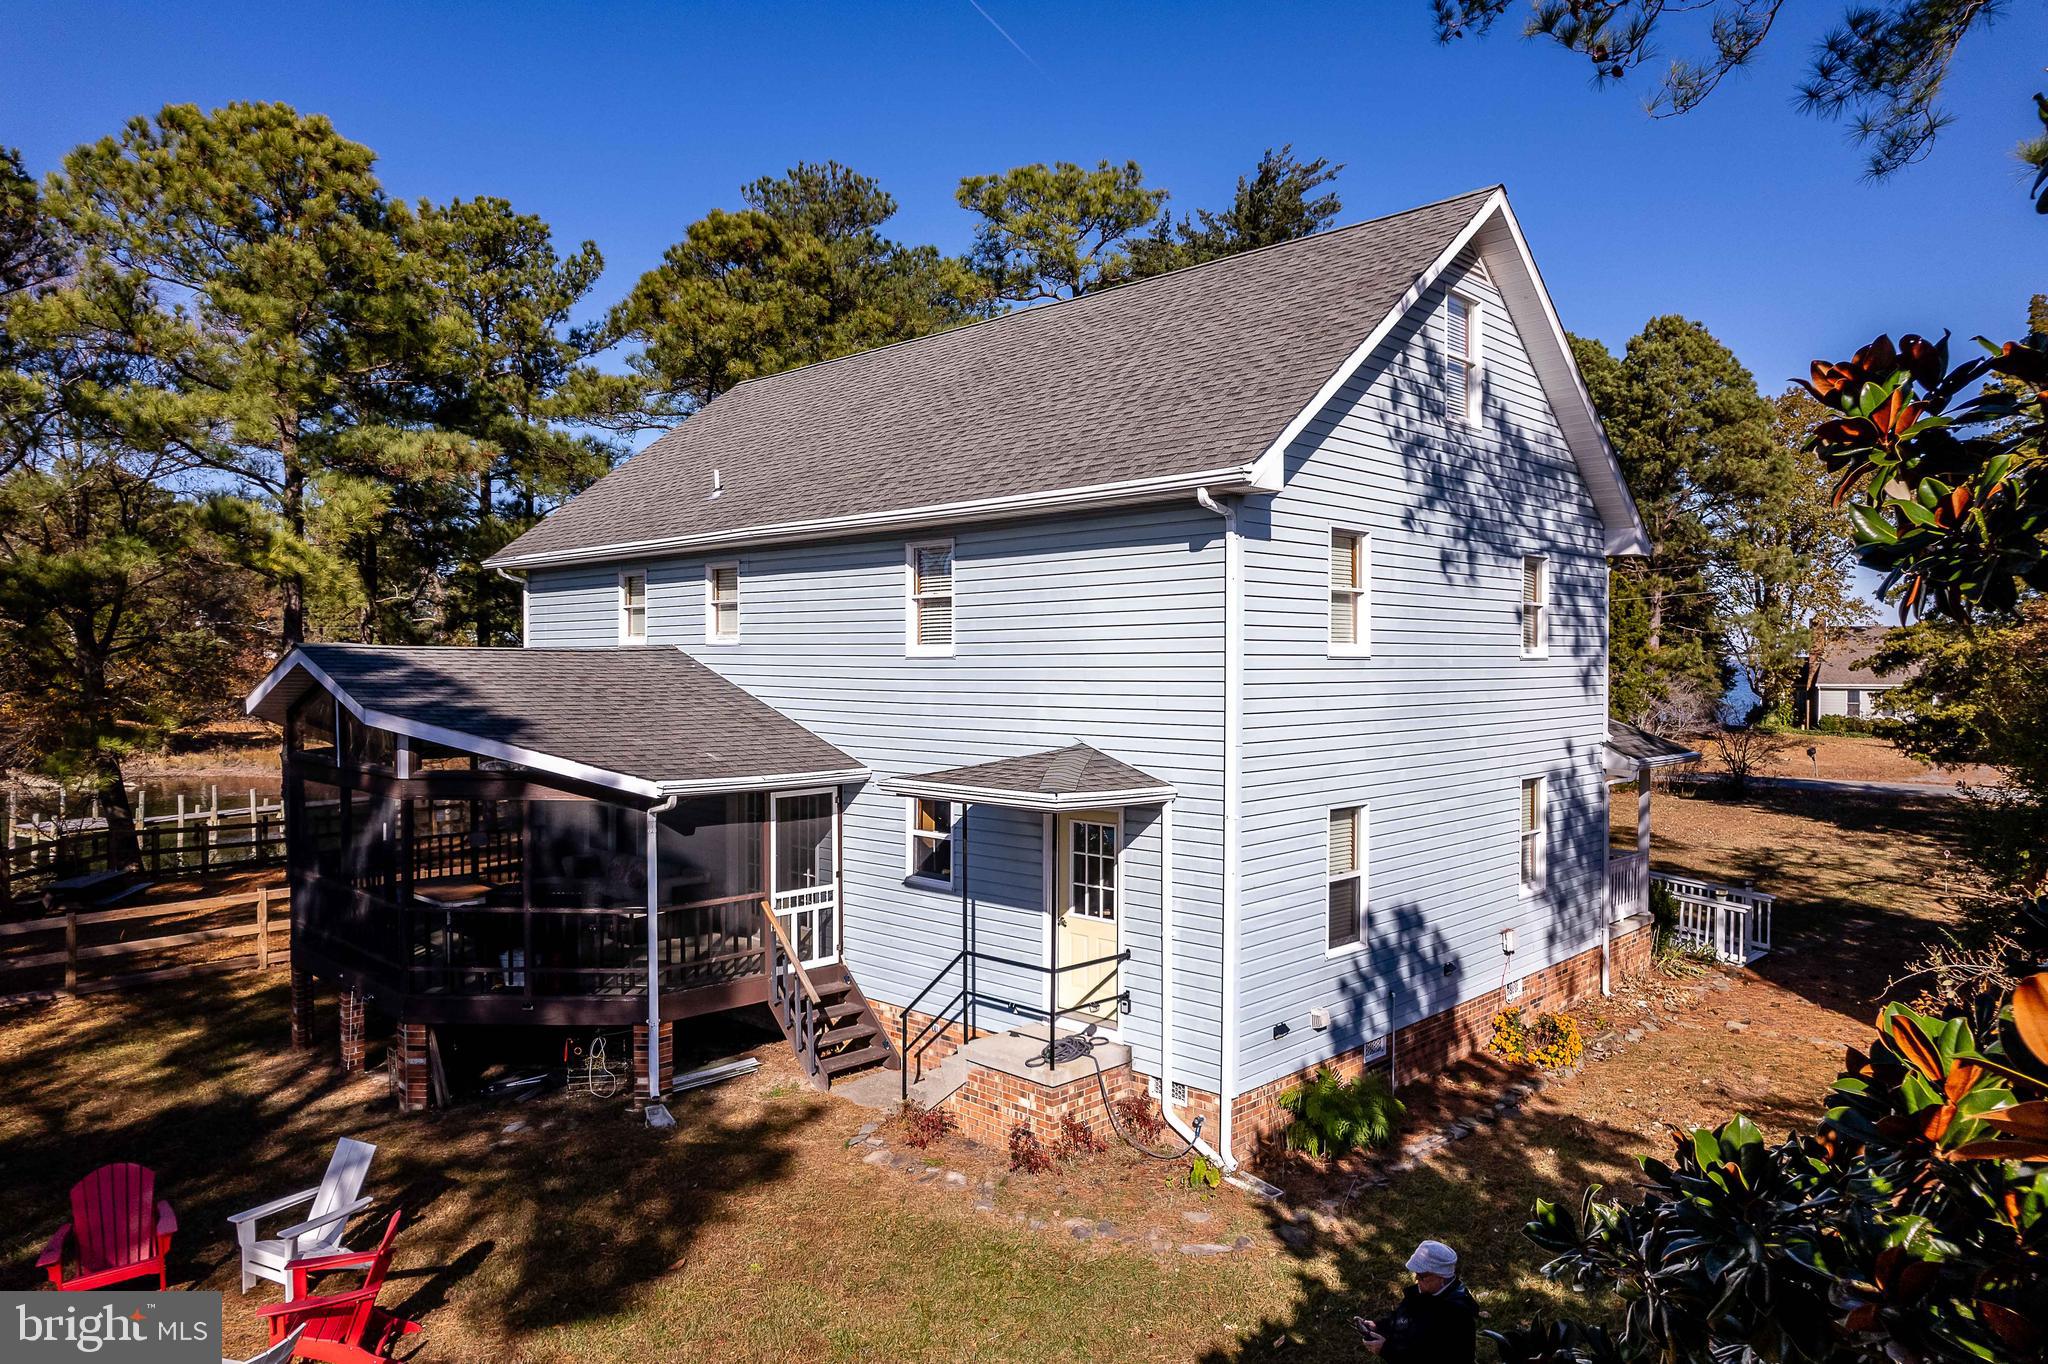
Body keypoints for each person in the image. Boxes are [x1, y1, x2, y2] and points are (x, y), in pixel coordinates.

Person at [1353, 1240, 1477, 1364]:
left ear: (1441, 1277)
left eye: (1422, 1276)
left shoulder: (1457, 1314)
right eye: (1416, 1273)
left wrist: (1386, 1350)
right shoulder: (1423, 1292)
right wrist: (1379, 1326)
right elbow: (1401, 1318)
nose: (1417, 1278)